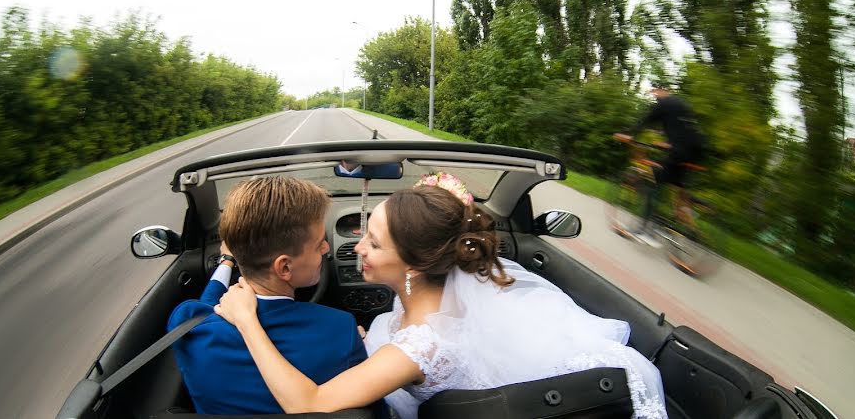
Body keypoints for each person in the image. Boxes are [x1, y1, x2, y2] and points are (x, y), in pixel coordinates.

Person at [214, 174, 668, 418]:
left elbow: (307, 406)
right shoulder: (427, 296)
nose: (355, 248)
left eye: (373, 242)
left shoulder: (420, 344)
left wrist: (247, 318)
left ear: (412, 264)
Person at [167, 176, 368, 415]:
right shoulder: (339, 329)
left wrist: (227, 262)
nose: (326, 248)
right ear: (284, 268)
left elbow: (206, 306)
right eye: (318, 244)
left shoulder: (187, 323)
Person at [617, 84, 706, 247]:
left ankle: (647, 231)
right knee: (677, 185)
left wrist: (629, 134)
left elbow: (644, 121)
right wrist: (665, 143)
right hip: (695, 153)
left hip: (680, 152)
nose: (654, 95)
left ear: (661, 90)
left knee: (652, 181)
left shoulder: (663, 104)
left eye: (655, 92)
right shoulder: (681, 104)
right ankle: (686, 220)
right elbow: (682, 132)